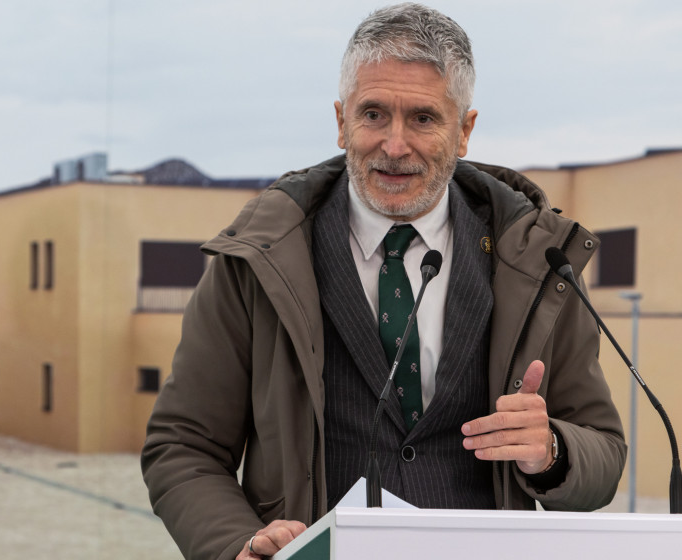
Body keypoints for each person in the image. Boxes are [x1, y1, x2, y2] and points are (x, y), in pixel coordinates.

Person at [141, 4, 626, 559]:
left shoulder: (540, 263)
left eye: (423, 118)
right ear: (341, 120)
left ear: (464, 130)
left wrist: (552, 450)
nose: (394, 145)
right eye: (373, 114)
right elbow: (182, 447)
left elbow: (604, 454)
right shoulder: (254, 261)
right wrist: (235, 543)